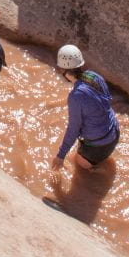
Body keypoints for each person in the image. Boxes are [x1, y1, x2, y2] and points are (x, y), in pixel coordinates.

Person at [51, 44, 120, 172]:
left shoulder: (76, 96)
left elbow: (73, 129)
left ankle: (97, 170)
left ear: (62, 69)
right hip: (114, 132)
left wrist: (60, 156)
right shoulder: (94, 76)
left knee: (79, 165)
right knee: (81, 155)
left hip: (99, 146)